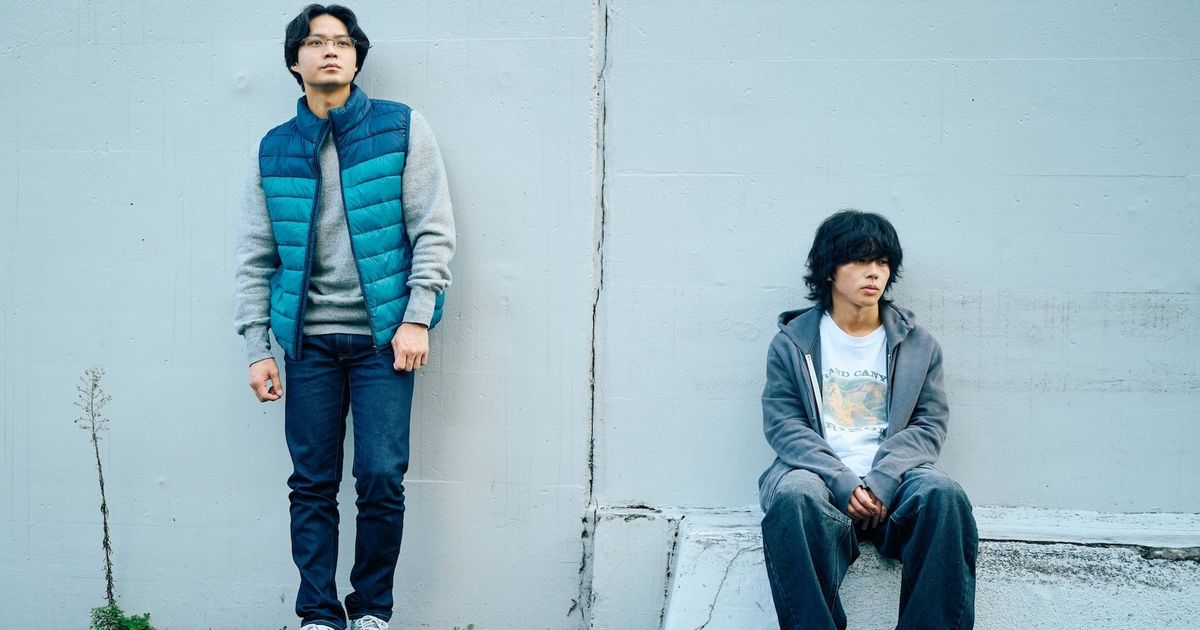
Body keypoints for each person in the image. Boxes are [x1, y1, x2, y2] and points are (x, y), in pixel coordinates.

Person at [234, 5, 455, 629]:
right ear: (295, 60)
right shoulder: (275, 147)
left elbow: (433, 230)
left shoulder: (401, 127)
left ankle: (372, 611)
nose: (330, 50)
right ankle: (318, 615)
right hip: (308, 343)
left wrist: (417, 317)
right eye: (315, 41)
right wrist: (258, 348)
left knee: (381, 477)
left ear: (357, 58)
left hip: (384, 339)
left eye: (342, 42)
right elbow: (255, 255)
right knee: (311, 482)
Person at [757, 210, 977, 629]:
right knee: (793, 496)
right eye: (859, 260)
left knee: (944, 495)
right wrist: (842, 481)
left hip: (896, 482)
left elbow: (929, 425)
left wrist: (883, 479)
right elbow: (784, 424)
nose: (874, 272)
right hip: (821, 480)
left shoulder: (918, 345)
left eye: (882, 262)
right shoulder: (792, 344)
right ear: (829, 270)